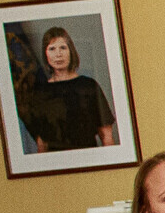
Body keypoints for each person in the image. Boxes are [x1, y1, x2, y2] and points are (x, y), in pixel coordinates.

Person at [21, 24, 119, 153]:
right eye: (52, 49)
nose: (58, 54)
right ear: (46, 54)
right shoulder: (40, 92)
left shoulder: (89, 86)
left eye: (63, 47)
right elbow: (42, 144)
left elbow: (106, 137)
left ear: (71, 51)